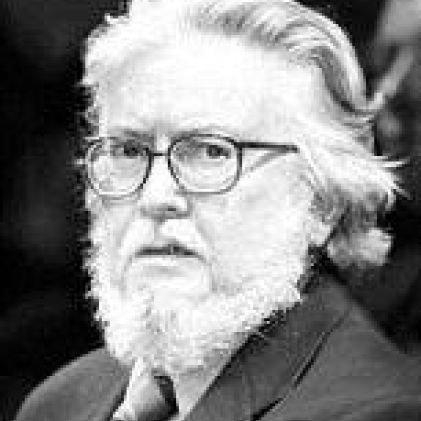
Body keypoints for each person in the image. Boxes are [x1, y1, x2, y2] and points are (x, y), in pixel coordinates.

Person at [14, 0, 421, 420]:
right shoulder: (59, 403)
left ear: (322, 202)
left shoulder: (381, 412)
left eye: (211, 152)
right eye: (128, 151)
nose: (155, 197)